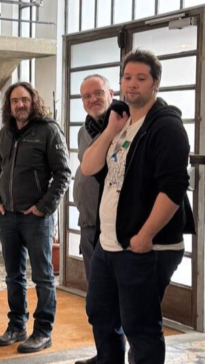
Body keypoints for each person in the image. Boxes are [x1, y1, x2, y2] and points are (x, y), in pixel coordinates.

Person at [81, 50, 195, 364]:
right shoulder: (121, 123)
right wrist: (110, 130)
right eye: (127, 77)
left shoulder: (166, 126)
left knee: (140, 325)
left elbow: (173, 188)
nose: (132, 84)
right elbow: (89, 167)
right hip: (110, 243)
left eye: (141, 78)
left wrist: (145, 235)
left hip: (146, 246)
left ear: (155, 84)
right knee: (100, 312)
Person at [0, 82, 70, 354]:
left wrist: (43, 207)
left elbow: (63, 173)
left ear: (33, 101)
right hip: (8, 217)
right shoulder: (5, 131)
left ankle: (43, 332)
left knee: (43, 277)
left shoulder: (48, 130)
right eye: (14, 101)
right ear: (9, 105)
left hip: (36, 218)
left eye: (24, 99)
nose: (20, 105)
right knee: (13, 275)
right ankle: (16, 327)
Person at [73, 75, 113, 364]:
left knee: (118, 299)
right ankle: (104, 354)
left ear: (111, 92)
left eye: (98, 93)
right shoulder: (83, 130)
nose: (92, 100)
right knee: (97, 298)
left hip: (113, 226)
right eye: (86, 96)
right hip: (88, 224)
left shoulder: (123, 124)